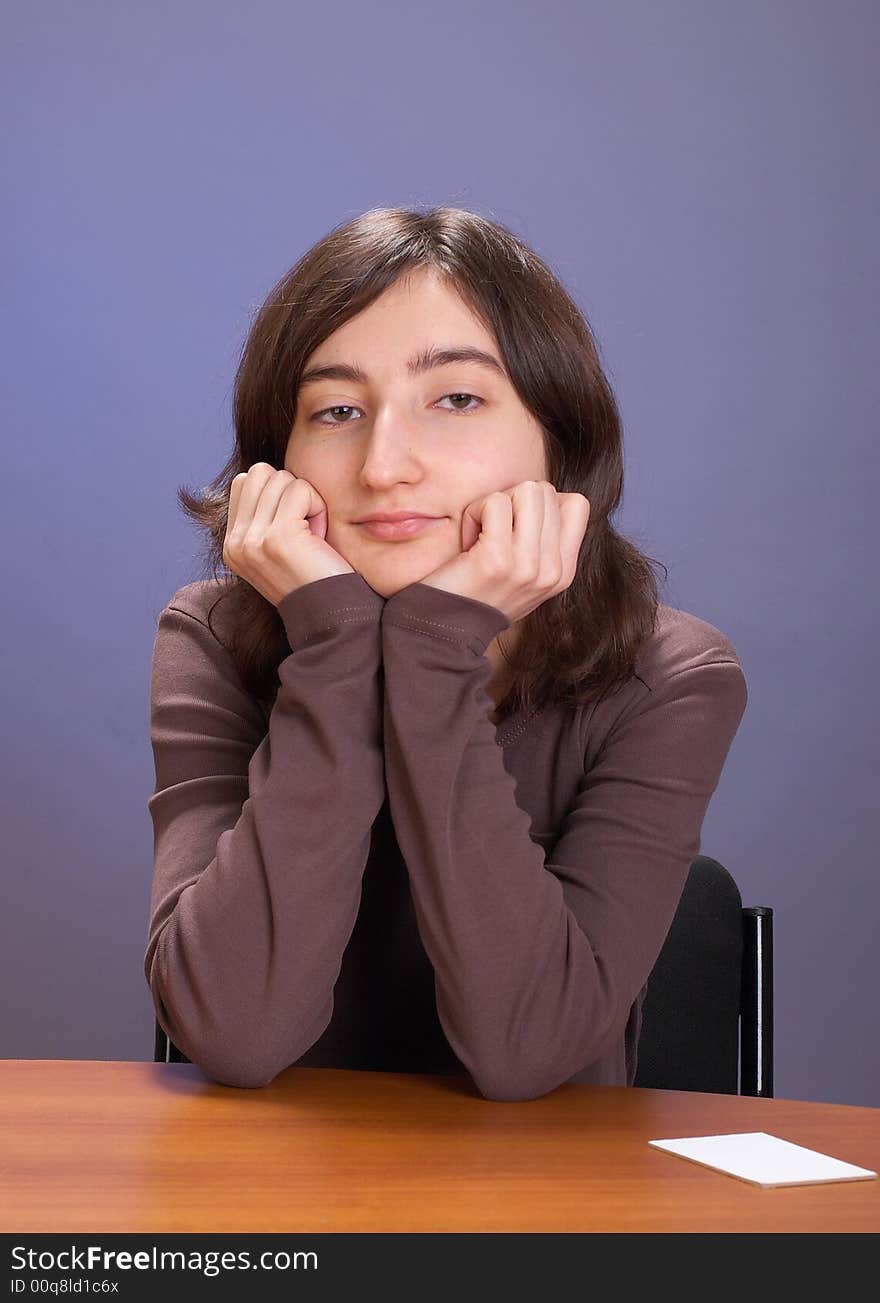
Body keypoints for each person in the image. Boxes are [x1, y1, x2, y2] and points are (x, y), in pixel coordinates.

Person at [145, 205, 748, 1101]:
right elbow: (236, 1032)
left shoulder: (670, 678)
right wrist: (338, 640)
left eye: (456, 399)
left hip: (540, 1205)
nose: (385, 465)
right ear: (276, 463)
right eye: (337, 409)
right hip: (270, 1194)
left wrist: (435, 651)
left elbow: (527, 1050)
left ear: (561, 436)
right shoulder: (214, 638)